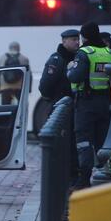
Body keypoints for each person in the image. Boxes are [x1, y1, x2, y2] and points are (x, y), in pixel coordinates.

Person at [67, 21, 111, 189]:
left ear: (84, 36)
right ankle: (105, 175)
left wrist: (69, 69)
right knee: (102, 139)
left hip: (86, 104)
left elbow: (75, 77)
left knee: (84, 140)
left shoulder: (84, 53)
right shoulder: (108, 52)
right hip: (104, 102)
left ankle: (84, 179)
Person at [39, 28, 81, 185]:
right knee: (64, 142)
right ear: (64, 42)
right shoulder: (57, 59)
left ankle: (72, 174)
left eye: (78, 39)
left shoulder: (78, 57)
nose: (77, 42)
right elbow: (45, 86)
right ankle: (66, 176)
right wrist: (54, 98)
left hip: (75, 107)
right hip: (61, 107)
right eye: (73, 39)